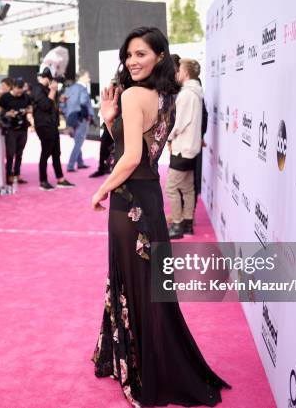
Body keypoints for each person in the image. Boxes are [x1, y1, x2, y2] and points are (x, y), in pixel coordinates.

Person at [90, 27, 230, 407]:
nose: (132, 61)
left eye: (141, 54)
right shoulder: (167, 95)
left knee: (132, 279)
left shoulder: (136, 94)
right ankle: (143, 360)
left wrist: (101, 189)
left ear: (159, 56)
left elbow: (132, 156)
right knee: (149, 286)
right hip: (149, 199)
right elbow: (137, 145)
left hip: (129, 200)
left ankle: (142, 368)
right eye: (128, 55)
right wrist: (108, 118)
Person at [166, 58, 204, 239]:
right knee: (188, 188)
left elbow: (177, 123)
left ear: (186, 72)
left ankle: (178, 225)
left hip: (182, 148)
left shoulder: (187, 94)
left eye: (179, 70)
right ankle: (188, 223)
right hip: (191, 148)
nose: (177, 73)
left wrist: (167, 137)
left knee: (171, 188)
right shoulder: (195, 93)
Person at [31, 67, 74, 191]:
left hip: (52, 124)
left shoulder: (46, 89)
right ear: (47, 79)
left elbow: (51, 104)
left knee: (56, 153)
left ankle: (60, 179)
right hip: (44, 125)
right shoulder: (37, 89)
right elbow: (44, 105)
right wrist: (53, 91)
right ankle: (43, 181)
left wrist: (59, 98)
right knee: (45, 153)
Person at [0, 79, 31, 184]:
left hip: (23, 127)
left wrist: (28, 110)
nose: (19, 93)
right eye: (18, 90)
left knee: (19, 153)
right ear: (13, 87)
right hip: (10, 128)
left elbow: (30, 106)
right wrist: (7, 113)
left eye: (21, 91)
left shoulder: (25, 97)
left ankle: (17, 174)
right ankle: (9, 175)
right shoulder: (5, 97)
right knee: (10, 154)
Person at [62, 69, 94, 172]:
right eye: (88, 76)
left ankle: (80, 163)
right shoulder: (82, 89)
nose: (89, 79)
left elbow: (62, 103)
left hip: (70, 118)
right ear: (82, 77)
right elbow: (84, 103)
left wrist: (67, 114)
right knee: (79, 142)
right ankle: (70, 165)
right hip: (81, 118)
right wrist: (90, 116)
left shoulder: (70, 89)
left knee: (77, 141)